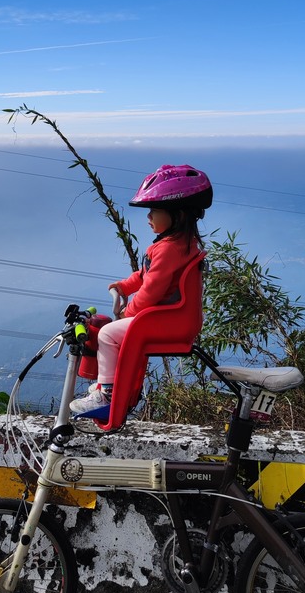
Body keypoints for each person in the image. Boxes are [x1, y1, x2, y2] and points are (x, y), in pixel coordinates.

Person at [70, 164, 213, 419]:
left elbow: (152, 290)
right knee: (114, 333)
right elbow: (147, 275)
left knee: (106, 335)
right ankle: (108, 384)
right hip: (174, 319)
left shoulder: (169, 249)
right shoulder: (177, 245)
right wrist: (125, 286)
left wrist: (129, 312)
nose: (148, 218)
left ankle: (107, 395)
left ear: (177, 215)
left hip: (170, 322)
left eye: (154, 211)